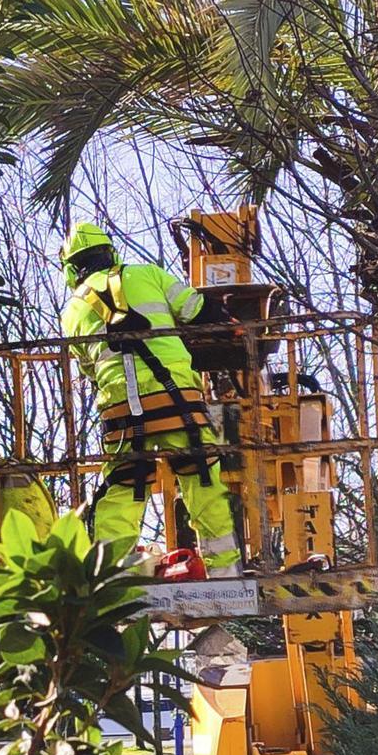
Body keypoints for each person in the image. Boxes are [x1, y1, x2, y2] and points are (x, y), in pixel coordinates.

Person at [59, 222, 242, 578]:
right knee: (201, 479)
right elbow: (197, 310)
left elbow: (88, 370)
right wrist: (232, 323)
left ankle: (114, 579)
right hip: (179, 407)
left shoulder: (72, 311)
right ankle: (224, 573)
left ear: (71, 269)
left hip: (121, 415)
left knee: (124, 489)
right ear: (110, 252)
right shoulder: (147, 274)